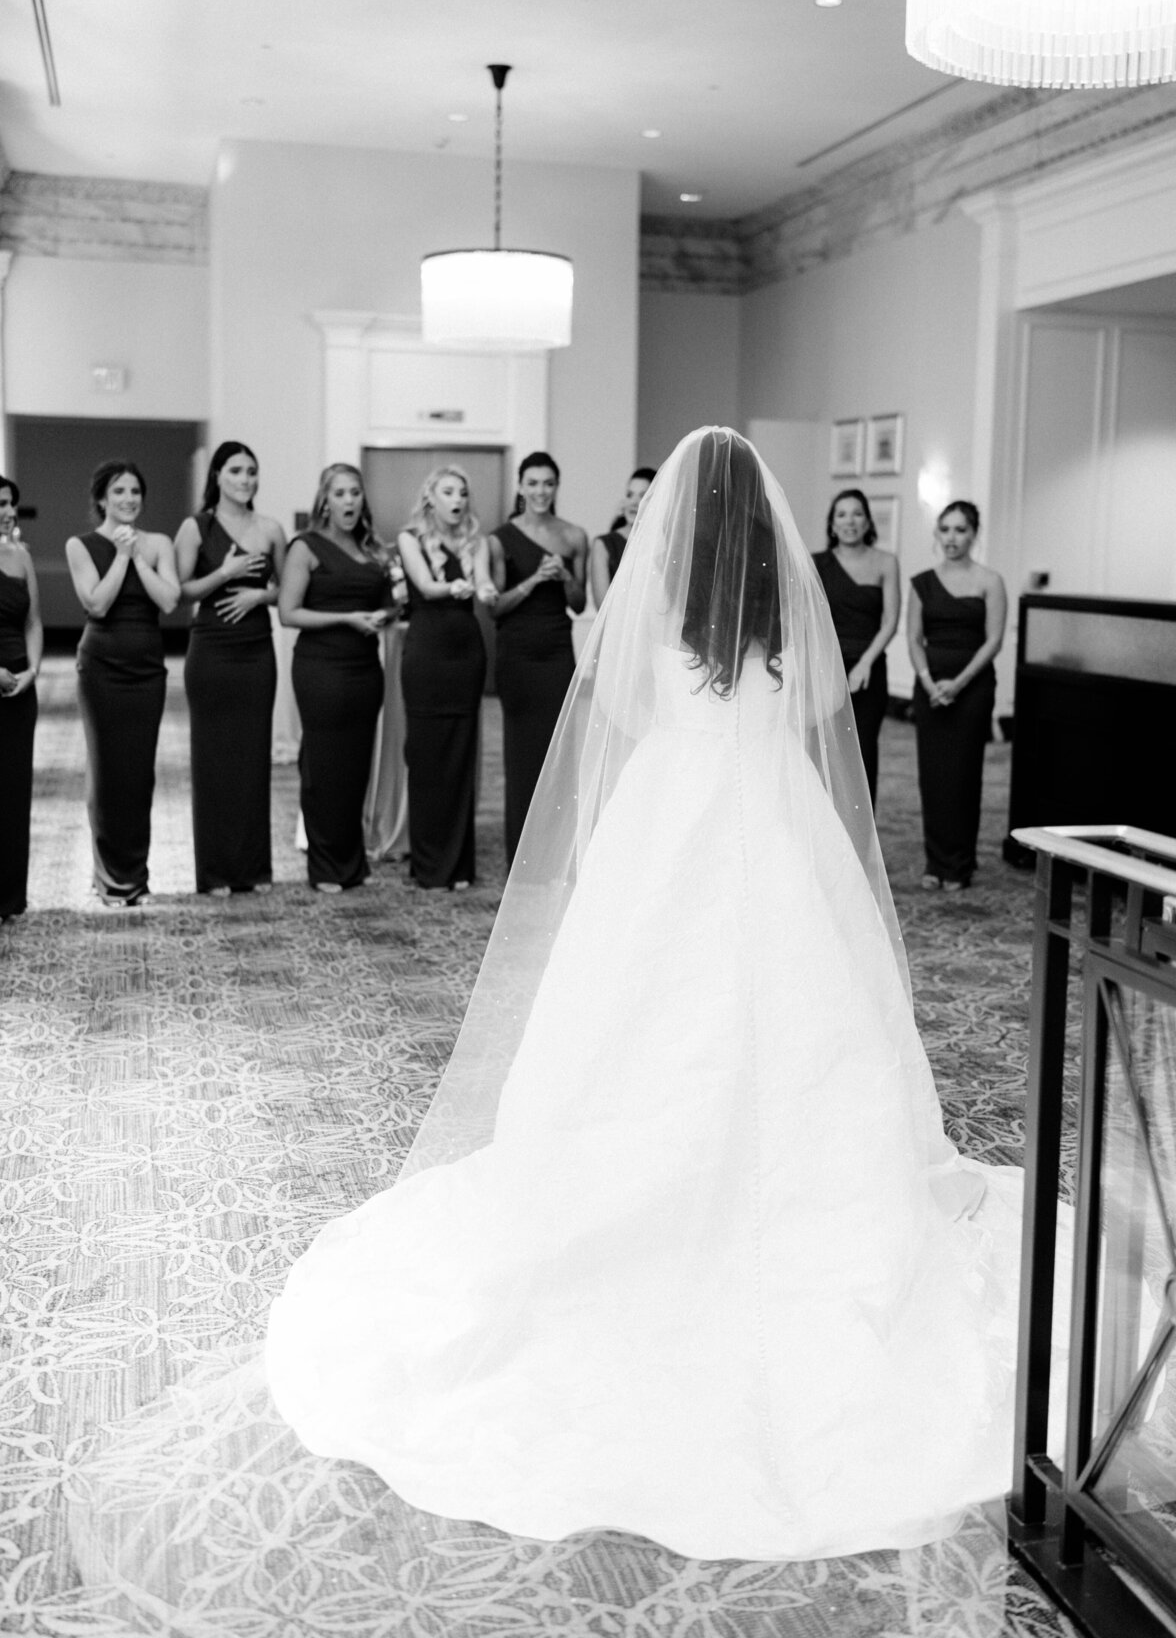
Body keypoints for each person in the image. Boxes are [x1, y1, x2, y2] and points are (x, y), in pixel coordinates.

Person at [266, 426, 1053, 1562]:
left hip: (668, 822)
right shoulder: (787, 614)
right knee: (803, 1009)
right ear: (768, 521)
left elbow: (618, 713)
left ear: (684, 518)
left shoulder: (662, 603)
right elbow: (809, 720)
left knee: (636, 1013)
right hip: (776, 825)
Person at [66, 461, 180, 907]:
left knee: (139, 775)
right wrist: (120, 555)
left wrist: (138, 557)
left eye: (135, 491)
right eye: (119, 492)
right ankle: (109, 879)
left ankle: (136, 877)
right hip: (101, 668)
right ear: (101, 499)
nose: (129, 499)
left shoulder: (159, 543)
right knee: (108, 772)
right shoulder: (81, 545)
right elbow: (96, 603)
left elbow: (169, 599)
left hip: (148, 669)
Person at [175, 443, 286, 894]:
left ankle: (254, 868)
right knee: (215, 760)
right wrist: (226, 573)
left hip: (257, 649)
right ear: (218, 475)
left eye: (252, 472)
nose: (246, 479)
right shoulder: (194, 527)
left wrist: (260, 595)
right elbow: (183, 590)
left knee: (254, 757)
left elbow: (289, 589)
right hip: (212, 650)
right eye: (237, 471)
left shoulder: (271, 528)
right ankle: (216, 871)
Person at [278, 464, 393, 893]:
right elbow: (289, 613)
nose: (349, 501)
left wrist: (385, 614)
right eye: (341, 493)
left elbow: (388, 604)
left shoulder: (372, 550)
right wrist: (347, 618)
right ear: (324, 499)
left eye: (355, 493)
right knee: (324, 766)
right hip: (321, 668)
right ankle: (325, 865)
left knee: (356, 767)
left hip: (365, 669)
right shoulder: (305, 547)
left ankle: (351, 861)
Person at [397, 465, 495, 890]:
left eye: (462, 493)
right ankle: (428, 864)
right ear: (430, 498)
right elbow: (423, 583)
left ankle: (458, 865)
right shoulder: (409, 538)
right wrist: (456, 587)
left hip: (466, 653)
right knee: (426, 756)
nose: (457, 500)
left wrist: (487, 591)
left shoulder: (478, 541)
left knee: (460, 754)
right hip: (426, 652)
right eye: (448, 492)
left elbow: (486, 583)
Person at [487, 451, 587, 866]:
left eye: (548, 483)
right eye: (533, 483)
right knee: (520, 754)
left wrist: (564, 577)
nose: (541, 491)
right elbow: (495, 606)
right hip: (518, 652)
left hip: (557, 649)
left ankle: (553, 854)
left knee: (557, 754)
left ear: (556, 487)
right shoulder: (499, 539)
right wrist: (532, 581)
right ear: (521, 486)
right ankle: (520, 857)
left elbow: (580, 604)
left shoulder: (574, 536)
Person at [907, 500, 1007, 892]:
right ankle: (936, 860)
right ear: (937, 534)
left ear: (974, 534)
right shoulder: (921, 582)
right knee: (932, 776)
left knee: (964, 775)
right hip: (930, 689)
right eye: (945, 529)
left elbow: (995, 640)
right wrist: (929, 681)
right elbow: (913, 638)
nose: (952, 538)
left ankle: (960, 864)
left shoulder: (990, 580)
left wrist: (959, 682)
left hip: (973, 687)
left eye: (960, 530)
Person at [814, 488, 899, 806]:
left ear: (867, 522)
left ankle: (863, 844)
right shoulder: (816, 564)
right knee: (826, 752)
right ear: (832, 524)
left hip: (870, 668)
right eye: (842, 514)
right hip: (826, 667)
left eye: (857, 513)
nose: (850, 520)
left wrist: (865, 663)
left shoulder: (886, 562)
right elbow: (806, 617)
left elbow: (890, 621)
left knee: (863, 753)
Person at [0, 475, 42, 921]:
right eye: (0, 503)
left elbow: (33, 621)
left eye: (11, 502)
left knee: (13, 793)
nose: (9, 511)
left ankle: (9, 896)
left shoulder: (20, 556)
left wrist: (33, 670)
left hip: (19, 691)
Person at [588, 465, 656, 608]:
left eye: (643, 495)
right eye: (629, 495)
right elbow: (602, 607)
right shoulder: (605, 544)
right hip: (618, 628)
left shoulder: (665, 543)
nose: (633, 502)